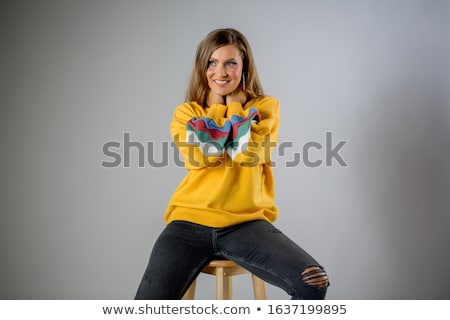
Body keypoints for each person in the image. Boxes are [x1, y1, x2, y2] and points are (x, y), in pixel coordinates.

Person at [135, 28, 329, 300]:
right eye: (212, 63)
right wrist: (221, 108)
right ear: (202, 68)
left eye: (230, 63)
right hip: (187, 223)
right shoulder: (188, 113)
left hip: (246, 225)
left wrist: (236, 107)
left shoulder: (265, 108)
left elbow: (247, 153)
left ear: (244, 67)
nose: (221, 72)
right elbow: (202, 155)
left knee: (313, 282)